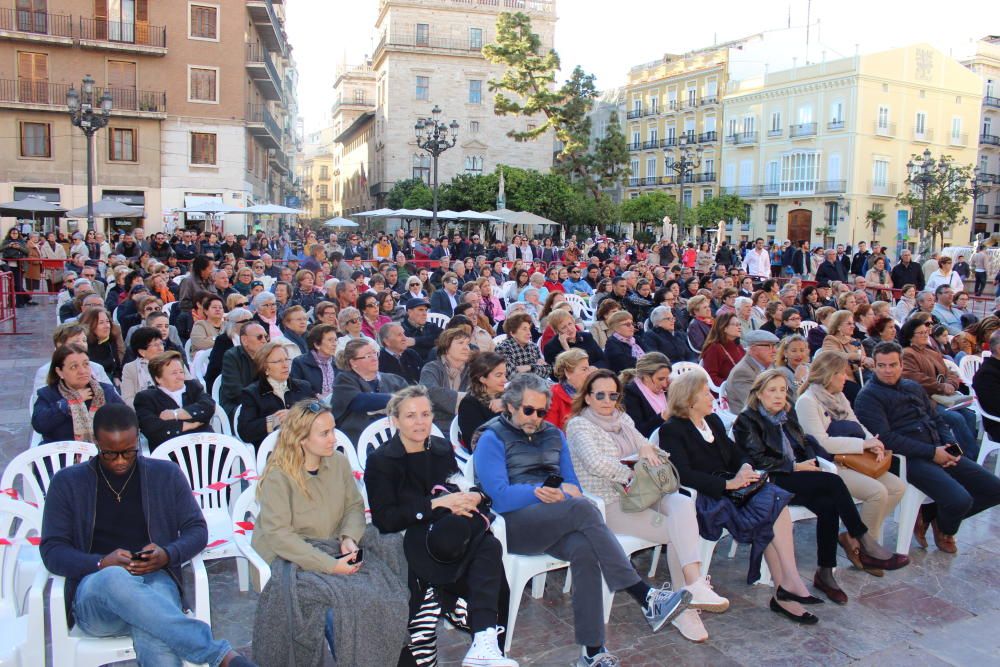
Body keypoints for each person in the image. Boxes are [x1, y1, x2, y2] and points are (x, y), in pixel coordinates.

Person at [474, 374, 691, 666]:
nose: (534, 418)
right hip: (514, 524)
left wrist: (561, 493)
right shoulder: (491, 438)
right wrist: (539, 492)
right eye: (528, 410)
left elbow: (573, 485)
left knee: (584, 546)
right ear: (511, 406)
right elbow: (499, 497)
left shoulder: (553, 434)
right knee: (583, 509)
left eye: (540, 412)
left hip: (556, 516)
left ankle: (592, 650)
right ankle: (644, 594)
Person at [38, 403, 254, 667]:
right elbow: (52, 550)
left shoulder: (165, 475)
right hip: (95, 595)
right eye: (110, 454)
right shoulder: (68, 482)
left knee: (156, 631)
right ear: (96, 443)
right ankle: (221, 657)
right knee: (116, 578)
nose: (120, 461)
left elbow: (196, 529)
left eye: (128, 452)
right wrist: (100, 562)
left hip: (154, 581)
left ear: (138, 438)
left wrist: (167, 554)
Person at [566, 370, 729, 642]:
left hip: (644, 493)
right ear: (588, 397)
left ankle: (692, 588)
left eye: (613, 395)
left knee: (680, 502)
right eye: (600, 395)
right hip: (611, 502)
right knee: (678, 530)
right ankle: (686, 603)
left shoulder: (624, 420)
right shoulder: (579, 425)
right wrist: (632, 469)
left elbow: (652, 450)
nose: (607, 401)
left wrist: (643, 452)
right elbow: (596, 463)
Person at [365, 386, 516, 667]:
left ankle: (484, 639)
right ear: (395, 420)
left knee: (487, 545)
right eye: (411, 416)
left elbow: (456, 486)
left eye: (425, 414)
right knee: (485, 545)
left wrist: (474, 496)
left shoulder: (441, 448)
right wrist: (436, 505)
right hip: (411, 535)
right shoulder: (382, 461)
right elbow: (385, 519)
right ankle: (478, 627)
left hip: (450, 532)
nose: (420, 422)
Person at [658, 371, 819, 623]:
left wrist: (744, 468)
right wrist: (727, 484)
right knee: (769, 507)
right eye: (705, 393)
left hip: (734, 488)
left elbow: (736, 453)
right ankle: (785, 588)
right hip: (706, 497)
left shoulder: (711, 422)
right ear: (689, 399)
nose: (712, 397)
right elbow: (683, 474)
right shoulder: (672, 430)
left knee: (774, 501)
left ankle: (787, 582)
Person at [733, 370, 900, 604]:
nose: (779, 395)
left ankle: (825, 572)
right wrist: (797, 467)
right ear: (759, 394)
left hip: (797, 477)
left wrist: (810, 463)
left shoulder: (786, 416)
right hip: (771, 481)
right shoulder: (747, 421)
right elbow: (759, 460)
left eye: (782, 390)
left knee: (828, 504)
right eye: (772, 390)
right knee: (833, 482)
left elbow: (804, 444)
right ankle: (862, 539)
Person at [855, 341, 1000, 553]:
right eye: (882, 365)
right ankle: (945, 527)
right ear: (874, 366)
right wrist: (933, 453)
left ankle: (934, 517)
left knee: (994, 489)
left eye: (892, 365)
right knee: (960, 499)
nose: (887, 370)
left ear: (901, 365)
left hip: (937, 448)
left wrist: (950, 446)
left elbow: (936, 419)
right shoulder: (868, 397)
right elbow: (887, 439)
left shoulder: (912, 386)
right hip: (908, 459)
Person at [796, 351, 907, 547]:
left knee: (897, 487)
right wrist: (863, 445)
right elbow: (820, 442)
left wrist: (874, 443)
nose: (846, 377)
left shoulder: (838, 396)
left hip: (853, 458)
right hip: (830, 464)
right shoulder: (807, 401)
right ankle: (867, 547)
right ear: (829, 375)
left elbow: (855, 423)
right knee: (877, 492)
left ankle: (855, 538)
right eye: (842, 373)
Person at [898, 318, 979, 459]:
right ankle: (965, 457)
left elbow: (951, 373)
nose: (925, 335)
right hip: (925, 400)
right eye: (920, 333)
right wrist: (942, 387)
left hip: (945, 397)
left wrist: (951, 385)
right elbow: (915, 378)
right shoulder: (907, 353)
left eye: (926, 332)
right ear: (910, 335)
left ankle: (970, 456)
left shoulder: (932, 352)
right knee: (957, 419)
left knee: (970, 415)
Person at [32, 344, 125, 444]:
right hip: (61, 456)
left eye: (86, 364)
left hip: (102, 455)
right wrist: (70, 403)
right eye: (74, 367)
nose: (82, 371)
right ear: (60, 372)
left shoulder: (104, 391)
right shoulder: (48, 394)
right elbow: (39, 425)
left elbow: (127, 419)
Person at [236, 342, 314, 449]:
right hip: (272, 452)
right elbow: (245, 431)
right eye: (278, 361)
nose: (285, 365)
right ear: (265, 368)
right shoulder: (252, 393)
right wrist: (274, 421)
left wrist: (296, 415)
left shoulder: (303, 387)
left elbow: (320, 412)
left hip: (305, 447)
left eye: (286, 360)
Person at [329, 339, 408, 443]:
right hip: (361, 439)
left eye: (375, 353)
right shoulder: (344, 380)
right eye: (367, 356)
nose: (374, 358)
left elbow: (412, 401)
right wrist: (396, 399)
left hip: (397, 435)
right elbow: (359, 402)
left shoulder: (395, 379)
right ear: (353, 362)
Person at [133, 351, 215, 450]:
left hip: (206, 448)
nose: (180, 377)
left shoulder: (193, 387)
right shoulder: (146, 398)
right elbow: (152, 429)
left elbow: (208, 407)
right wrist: (190, 424)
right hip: (171, 454)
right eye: (174, 373)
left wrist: (175, 414)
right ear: (158, 378)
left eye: (181, 372)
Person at [420, 328, 472, 434]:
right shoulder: (432, 368)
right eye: (460, 343)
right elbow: (431, 392)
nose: (466, 348)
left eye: (467, 344)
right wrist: (467, 400)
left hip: (466, 424)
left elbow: (481, 395)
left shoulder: (473, 369)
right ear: (447, 348)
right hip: (436, 427)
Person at [458, 351, 507, 448]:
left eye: (505, 374)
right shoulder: (469, 404)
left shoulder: (508, 397)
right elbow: (476, 441)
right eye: (499, 375)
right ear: (482, 379)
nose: (505, 380)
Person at [724, 329, 778, 414]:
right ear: (753, 349)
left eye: (775, 345)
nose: (775, 350)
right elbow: (754, 404)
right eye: (769, 346)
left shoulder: (769, 365)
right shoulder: (742, 372)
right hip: (750, 419)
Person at [219, 322, 268, 415]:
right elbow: (234, 391)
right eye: (259, 337)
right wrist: (261, 402)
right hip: (237, 406)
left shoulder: (268, 355)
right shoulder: (231, 356)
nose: (264, 341)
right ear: (244, 340)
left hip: (264, 402)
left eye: (266, 337)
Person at [620, 352, 672, 437]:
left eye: (667, 378)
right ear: (646, 376)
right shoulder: (629, 394)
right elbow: (639, 432)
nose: (665, 384)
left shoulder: (667, 389)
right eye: (661, 379)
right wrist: (662, 417)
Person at [545, 348, 595, 431]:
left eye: (588, 369)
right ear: (567, 372)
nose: (589, 373)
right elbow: (551, 433)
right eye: (584, 369)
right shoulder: (552, 395)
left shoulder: (593, 392)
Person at [120, 327, 169, 406]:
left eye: (161, 343)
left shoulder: (173, 362)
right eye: (156, 345)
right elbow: (128, 398)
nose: (161, 348)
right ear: (142, 352)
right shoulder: (130, 368)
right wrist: (145, 410)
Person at [290, 323, 338, 399]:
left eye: (335, 340)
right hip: (311, 407)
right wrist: (317, 398)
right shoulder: (300, 363)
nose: (335, 344)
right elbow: (298, 391)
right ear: (316, 344)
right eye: (330, 340)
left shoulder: (338, 363)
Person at [496, 312, 550, 380]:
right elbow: (510, 375)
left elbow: (547, 370)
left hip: (536, 384)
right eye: (524, 329)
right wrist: (537, 367)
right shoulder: (503, 348)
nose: (529, 333)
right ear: (512, 333)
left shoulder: (533, 347)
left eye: (529, 329)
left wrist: (529, 367)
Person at [700, 313, 744, 388]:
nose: (739, 327)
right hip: (725, 391)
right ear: (724, 328)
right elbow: (710, 377)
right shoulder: (714, 348)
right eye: (735, 325)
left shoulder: (738, 346)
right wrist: (729, 385)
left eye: (739, 324)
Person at [401, 298, 442, 362]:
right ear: (409, 312)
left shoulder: (431, 326)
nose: (425, 313)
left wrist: (415, 341)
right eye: (420, 310)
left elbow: (443, 338)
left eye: (426, 310)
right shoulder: (401, 329)